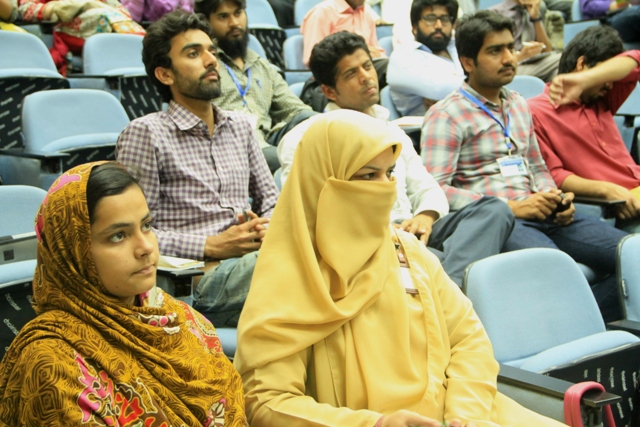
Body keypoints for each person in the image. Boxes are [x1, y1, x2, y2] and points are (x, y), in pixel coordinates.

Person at [234, 110, 566, 427]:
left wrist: (465, 415)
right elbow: (266, 401)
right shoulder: (289, 274)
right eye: (368, 175)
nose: (386, 188)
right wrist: (374, 423)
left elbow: (468, 340)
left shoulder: (406, 249)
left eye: (389, 173)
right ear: (324, 181)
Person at [0, 162, 246, 426]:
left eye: (147, 225)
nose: (145, 247)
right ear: (74, 252)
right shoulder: (54, 363)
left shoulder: (177, 317)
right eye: (118, 236)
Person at [421, 11, 628, 322]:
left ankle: (585, 322)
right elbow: (436, 190)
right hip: (504, 222)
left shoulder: (518, 103)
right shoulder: (446, 115)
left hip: (545, 213)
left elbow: (536, 165)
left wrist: (555, 197)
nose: (509, 58)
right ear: (467, 62)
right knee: (556, 272)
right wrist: (512, 207)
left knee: (632, 256)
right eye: (495, 51)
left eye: (510, 47)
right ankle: (574, 325)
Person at [279, 31, 514, 286]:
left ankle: (448, 284)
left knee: (493, 210)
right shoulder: (304, 140)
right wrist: (390, 233)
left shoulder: (392, 129)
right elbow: (310, 217)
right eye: (351, 74)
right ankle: (452, 284)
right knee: (455, 261)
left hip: (413, 228)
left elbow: (427, 187)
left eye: (367, 66)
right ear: (329, 91)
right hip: (369, 241)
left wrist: (425, 217)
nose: (366, 77)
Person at [116, 10, 279, 327]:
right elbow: (134, 234)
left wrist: (265, 227)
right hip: (199, 282)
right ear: (165, 74)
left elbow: (271, 200)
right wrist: (212, 245)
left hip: (255, 260)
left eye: (211, 51)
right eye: (193, 54)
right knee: (313, 260)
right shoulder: (146, 134)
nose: (211, 60)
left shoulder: (240, 127)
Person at [528, 26, 640, 233]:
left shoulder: (601, 99)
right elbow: (554, 175)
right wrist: (608, 190)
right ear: (581, 64)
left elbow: (636, 60)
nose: (610, 85)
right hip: (616, 208)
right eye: (606, 76)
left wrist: (587, 79)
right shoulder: (535, 112)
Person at [194, 0, 314, 172]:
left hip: (269, 138)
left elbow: (295, 110)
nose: (234, 23)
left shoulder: (261, 66)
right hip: (231, 144)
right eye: (223, 16)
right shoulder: (206, 67)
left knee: (316, 122)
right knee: (289, 160)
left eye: (238, 13)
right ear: (207, 23)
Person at [17, 0, 145, 74]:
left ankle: (143, 54)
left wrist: (91, 3)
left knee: (114, 19)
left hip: (108, 23)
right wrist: (53, 8)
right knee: (103, 17)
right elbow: (26, 10)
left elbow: (123, 13)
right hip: (64, 27)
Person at [387, 0, 465, 116]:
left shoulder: (458, 46)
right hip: (427, 125)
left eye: (445, 19)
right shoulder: (402, 56)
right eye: (430, 18)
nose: (438, 26)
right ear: (414, 27)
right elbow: (441, 88)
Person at [490, 0, 561, 82]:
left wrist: (536, 18)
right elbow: (494, 58)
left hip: (536, 62)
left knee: (558, 70)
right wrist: (522, 56)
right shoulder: (494, 13)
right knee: (561, 62)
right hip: (511, 66)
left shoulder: (538, 8)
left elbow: (547, 50)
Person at [300, 0, 386, 67]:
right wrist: (358, 54)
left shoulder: (366, 13)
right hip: (336, 74)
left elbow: (377, 51)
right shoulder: (322, 12)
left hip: (367, 67)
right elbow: (313, 59)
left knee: (388, 70)